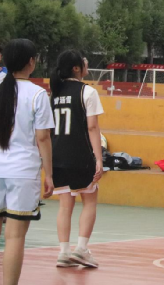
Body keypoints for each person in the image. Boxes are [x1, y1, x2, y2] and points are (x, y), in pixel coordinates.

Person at [0, 39, 55, 285]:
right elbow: (43, 137)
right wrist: (49, 175)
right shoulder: (37, 94)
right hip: (22, 171)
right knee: (15, 237)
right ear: (31, 62)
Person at [50, 51, 104, 268]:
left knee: (65, 205)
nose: (86, 63)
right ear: (76, 68)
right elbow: (92, 127)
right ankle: (81, 249)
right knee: (90, 200)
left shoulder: (54, 93)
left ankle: (64, 252)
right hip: (80, 155)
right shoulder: (87, 92)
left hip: (57, 156)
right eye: (83, 61)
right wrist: (99, 158)